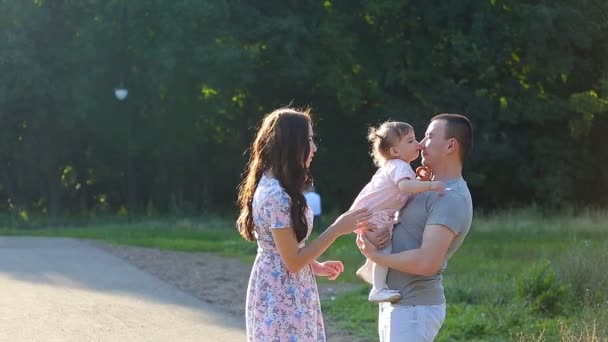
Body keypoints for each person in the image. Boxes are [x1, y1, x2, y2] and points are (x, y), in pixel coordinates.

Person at [236, 107, 372, 342]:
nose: (315, 148)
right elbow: (293, 261)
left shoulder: (273, 185)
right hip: (281, 293)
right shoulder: (277, 195)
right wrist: (337, 228)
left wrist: (314, 265)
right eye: (309, 140)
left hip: (282, 285)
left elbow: (289, 253)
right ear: (291, 144)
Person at [357, 113, 473, 342]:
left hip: (414, 308)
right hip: (400, 303)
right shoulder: (423, 187)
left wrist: (375, 256)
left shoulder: (451, 197)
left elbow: (426, 262)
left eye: (429, 136)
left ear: (451, 145)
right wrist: (372, 235)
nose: (420, 143)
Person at [350, 121, 445, 303]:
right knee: (384, 248)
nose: (418, 144)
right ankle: (377, 288)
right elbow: (405, 186)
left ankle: (369, 269)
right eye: (410, 141)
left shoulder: (392, 166)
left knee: (381, 246)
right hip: (372, 215)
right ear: (395, 151)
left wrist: (419, 180)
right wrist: (430, 185)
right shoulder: (399, 166)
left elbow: (404, 192)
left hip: (369, 213)